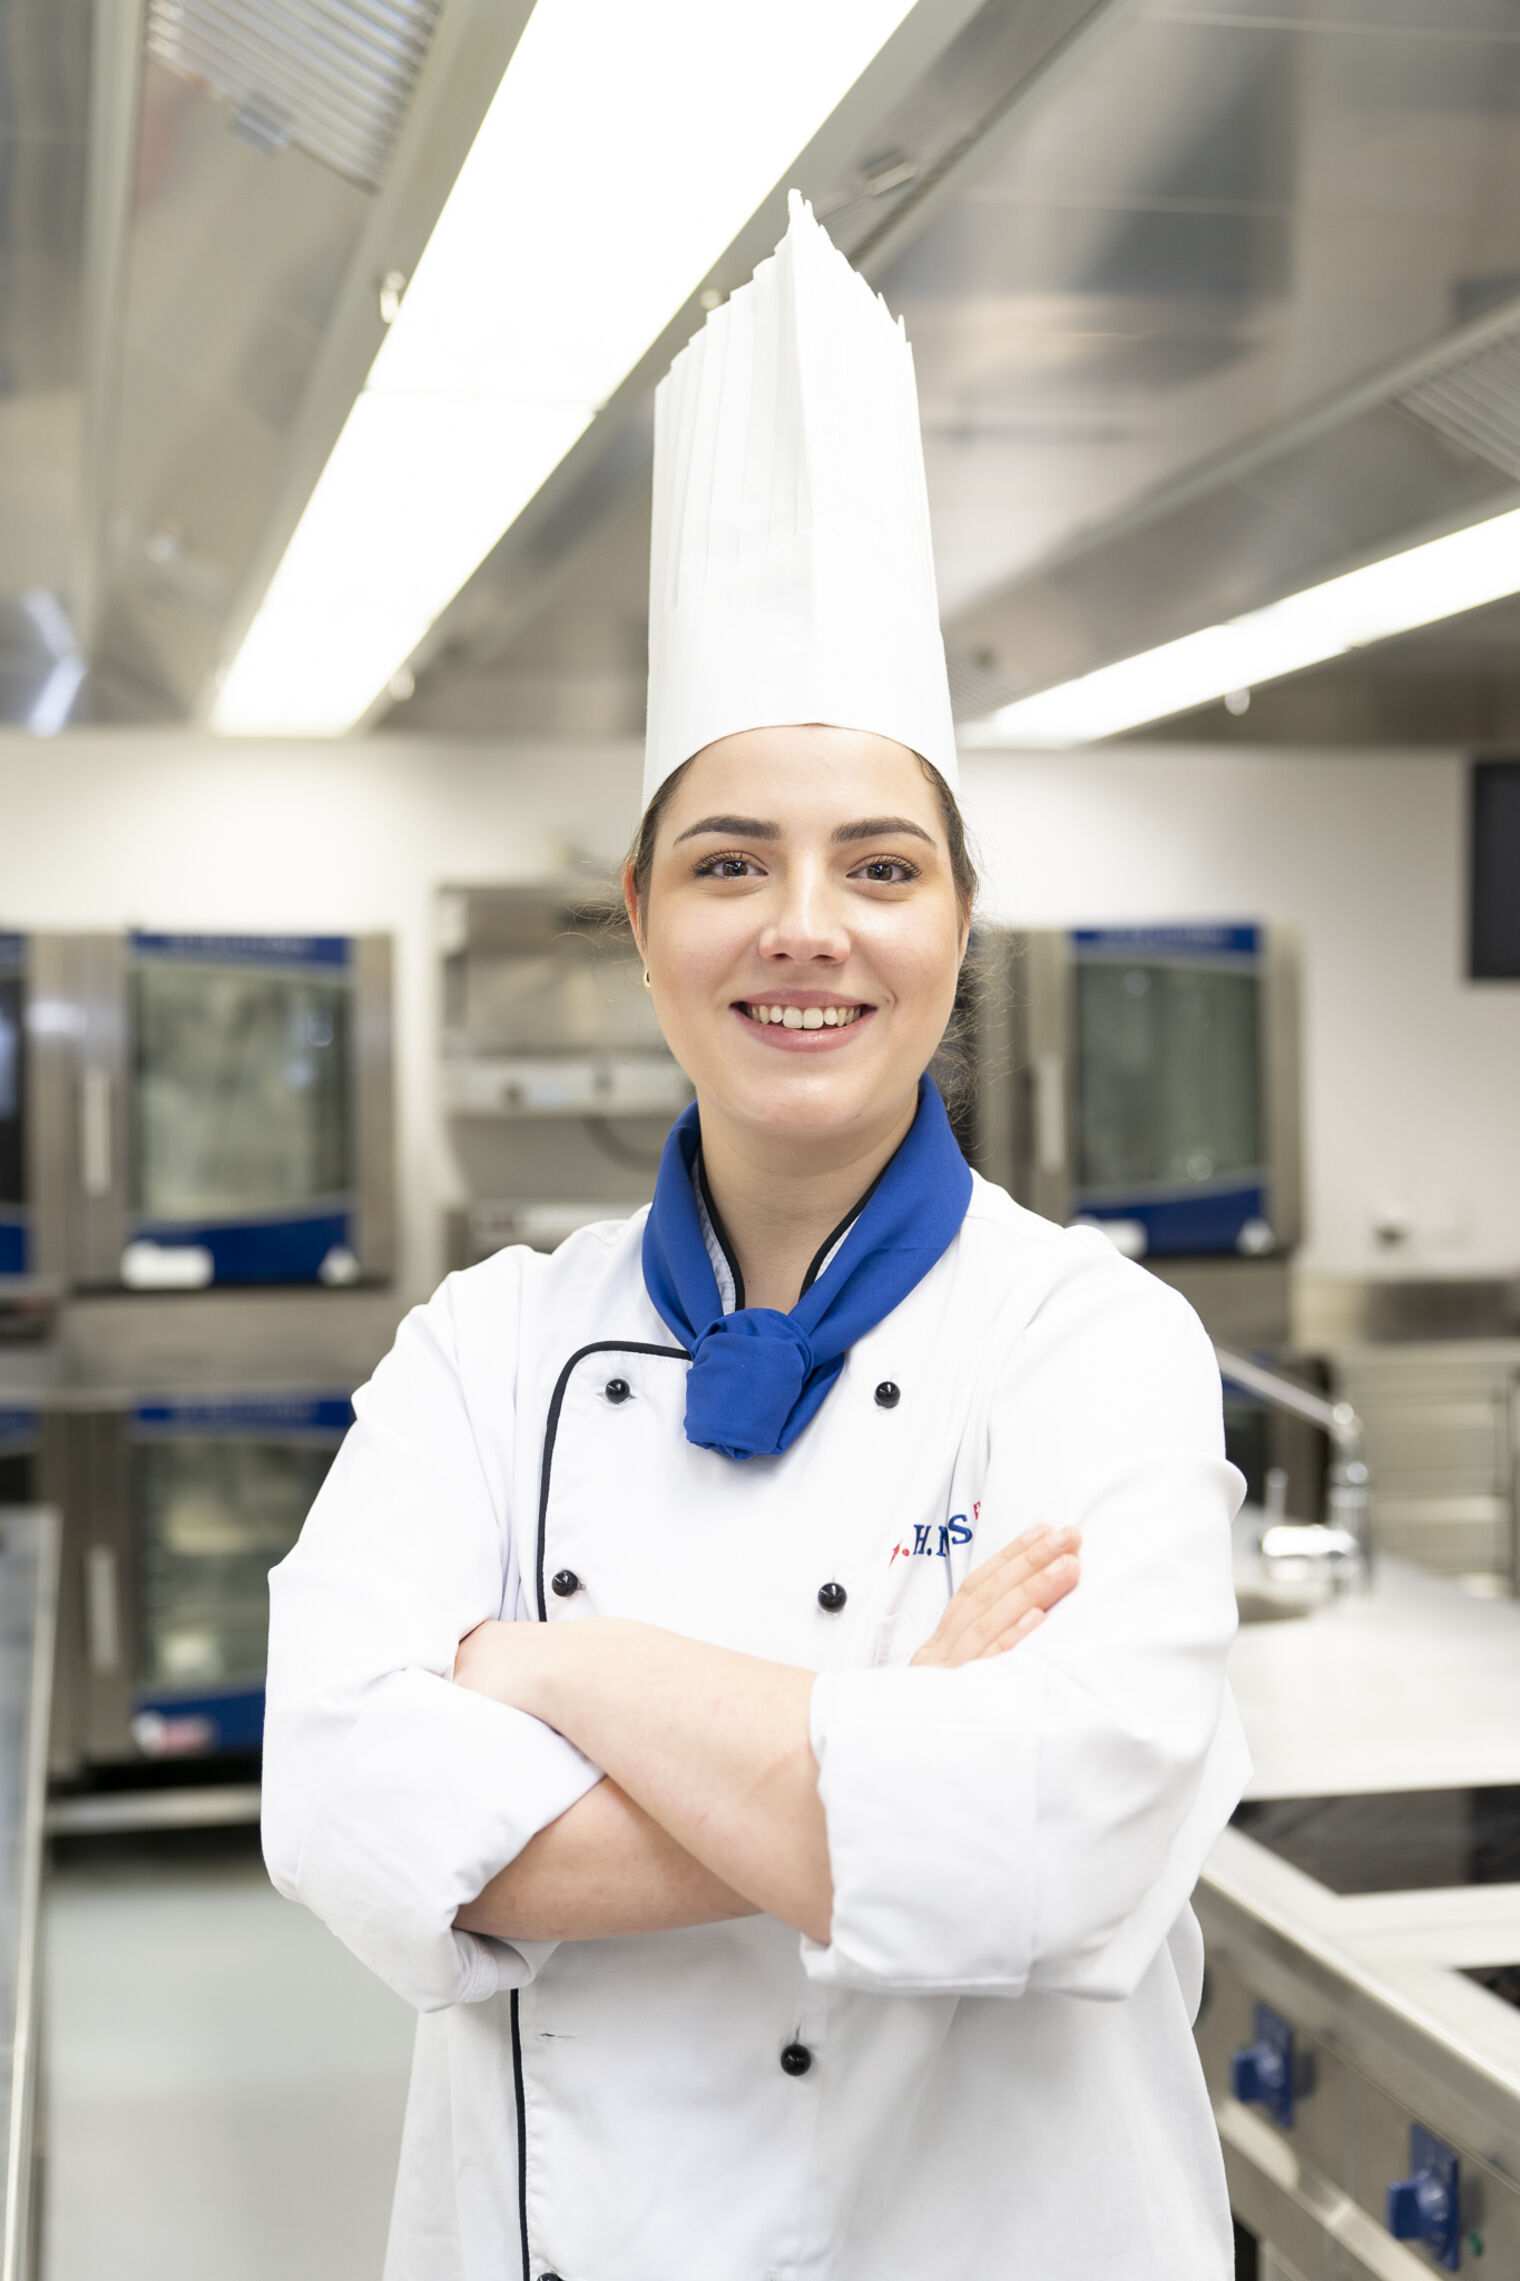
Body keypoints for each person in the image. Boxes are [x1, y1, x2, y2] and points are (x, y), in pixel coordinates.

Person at [262, 198, 1248, 2281]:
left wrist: (555, 1667)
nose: (805, 925)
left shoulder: (1090, 1342)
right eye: (731, 862)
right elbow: (348, 1815)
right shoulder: (481, 1349)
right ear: (642, 922)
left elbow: (1053, 1854)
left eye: (876, 863)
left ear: (953, 925)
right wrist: (876, 1733)